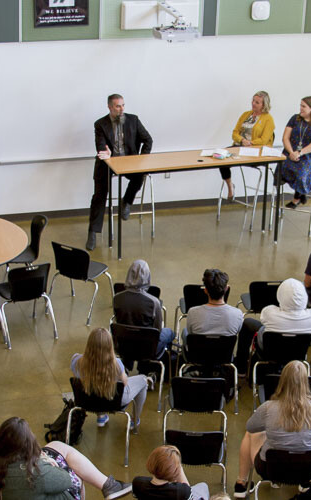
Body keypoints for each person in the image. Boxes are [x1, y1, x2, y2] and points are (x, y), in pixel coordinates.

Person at [0, 416, 131, 500]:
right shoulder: (37, 473)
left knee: (56, 445)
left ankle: (107, 485)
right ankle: (107, 485)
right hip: (38, 486)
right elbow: (66, 480)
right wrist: (47, 462)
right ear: (27, 446)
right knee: (77, 475)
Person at [233, 361, 311, 498]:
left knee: (252, 433)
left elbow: (250, 427)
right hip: (305, 470)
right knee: (310, 436)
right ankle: (305, 483)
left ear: (282, 380)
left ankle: (241, 484)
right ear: (306, 382)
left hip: (270, 470)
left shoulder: (268, 407)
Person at [86, 93, 152, 251]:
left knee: (139, 176)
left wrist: (141, 160)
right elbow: (101, 147)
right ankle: (93, 232)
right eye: (117, 106)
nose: (121, 109)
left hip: (128, 162)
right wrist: (107, 154)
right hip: (107, 163)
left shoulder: (133, 120)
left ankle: (126, 202)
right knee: (99, 195)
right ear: (110, 107)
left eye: (123, 105)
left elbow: (148, 140)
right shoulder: (100, 124)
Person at [235, 278, 311, 374]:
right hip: (297, 353)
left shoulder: (269, 312)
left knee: (248, 322)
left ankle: (241, 367)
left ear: (280, 295)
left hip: (269, 351)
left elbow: (265, 322)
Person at [71, 328, 150, 432]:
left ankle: (101, 417)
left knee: (95, 384)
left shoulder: (76, 360)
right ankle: (134, 420)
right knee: (143, 380)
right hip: (113, 401)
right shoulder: (116, 364)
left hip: (87, 400)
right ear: (110, 345)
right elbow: (125, 383)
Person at [113, 259, 175, 370]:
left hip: (124, 346)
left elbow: (119, 319)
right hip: (147, 349)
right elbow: (157, 330)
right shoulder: (153, 302)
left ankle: (127, 365)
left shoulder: (117, 298)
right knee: (169, 333)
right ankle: (148, 369)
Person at [221, 91, 275, 199]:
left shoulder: (268, 119)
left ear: (264, 105)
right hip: (240, 146)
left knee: (227, 157)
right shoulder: (246, 115)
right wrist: (242, 140)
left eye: (257, 102)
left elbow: (264, 140)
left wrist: (250, 143)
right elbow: (235, 133)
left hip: (256, 150)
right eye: (253, 101)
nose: (253, 104)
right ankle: (230, 186)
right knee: (222, 158)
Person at [279, 96, 311, 209]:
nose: (300, 108)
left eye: (303, 106)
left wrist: (299, 153)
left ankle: (298, 197)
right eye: (300, 105)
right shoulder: (295, 119)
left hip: (310, 155)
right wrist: (291, 152)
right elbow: (285, 138)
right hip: (291, 152)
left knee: (301, 170)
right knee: (282, 168)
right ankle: (301, 194)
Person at [184, 269, 243, 349]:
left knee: (185, 332)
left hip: (198, 358)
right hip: (224, 359)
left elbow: (191, 332)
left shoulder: (192, 312)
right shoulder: (238, 314)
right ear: (226, 289)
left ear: (205, 290)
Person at [133, 445, 209, 500]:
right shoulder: (181, 492)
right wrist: (179, 468)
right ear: (174, 472)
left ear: (150, 462)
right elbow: (188, 492)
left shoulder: (138, 483)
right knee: (203, 486)